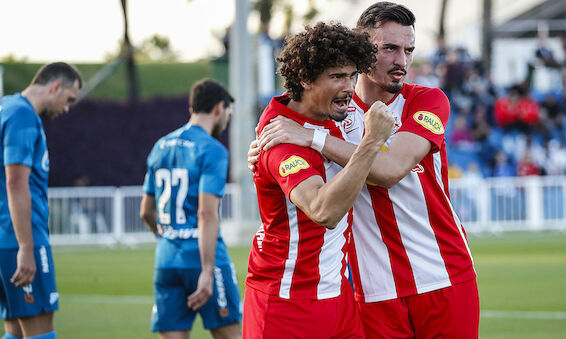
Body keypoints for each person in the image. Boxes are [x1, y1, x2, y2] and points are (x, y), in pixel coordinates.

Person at [253, 3, 479, 338]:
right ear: (361, 51)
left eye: (408, 50)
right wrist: (263, 148)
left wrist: (311, 138)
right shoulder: (333, 113)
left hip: (443, 276)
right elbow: (289, 113)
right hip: (373, 294)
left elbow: (389, 169)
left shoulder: (428, 102)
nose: (401, 61)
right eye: (389, 48)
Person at [244, 22, 394, 338]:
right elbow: (323, 211)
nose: (349, 86)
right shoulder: (281, 141)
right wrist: (370, 142)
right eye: (337, 76)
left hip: (338, 295)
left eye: (353, 75)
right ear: (306, 80)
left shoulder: (325, 113)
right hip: (288, 303)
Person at [140, 79, 242, 339]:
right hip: (204, 259)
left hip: (167, 260)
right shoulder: (213, 150)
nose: (226, 121)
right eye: (228, 114)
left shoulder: (160, 146)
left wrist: (167, 238)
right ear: (219, 108)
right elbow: (207, 213)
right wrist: (207, 271)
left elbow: (146, 212)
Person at [0, 62, 82, 339]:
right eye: (69, 99)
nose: (67, 108)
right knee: (39, 332)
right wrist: (26, 246)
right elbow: (15, 181)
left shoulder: (6, 108)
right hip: (18, 237)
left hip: (4, 239)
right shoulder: (22, 116)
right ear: (55, 86)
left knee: (15, 330)